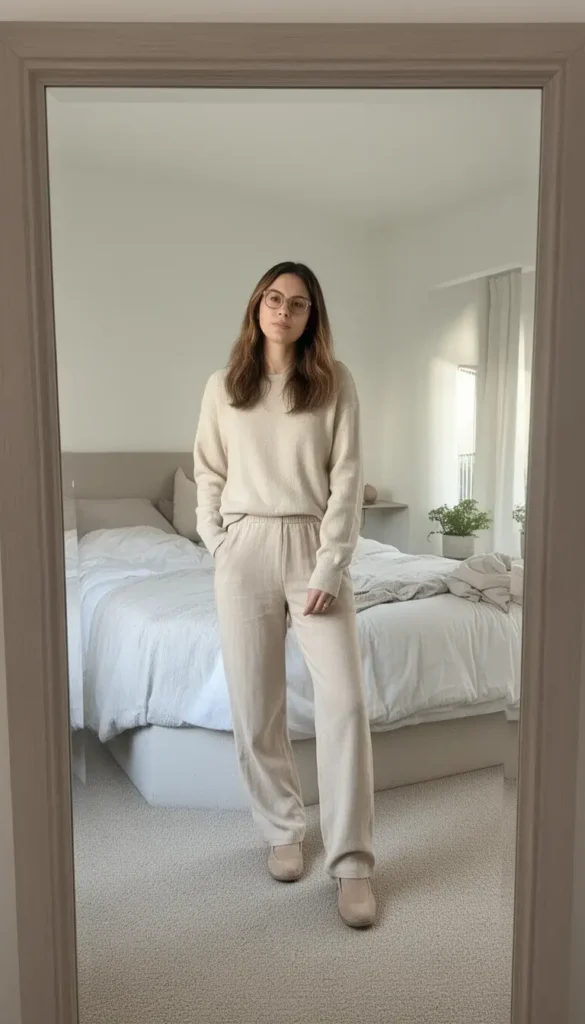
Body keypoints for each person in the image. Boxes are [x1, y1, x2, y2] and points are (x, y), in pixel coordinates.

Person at [194, 261, 375, 928]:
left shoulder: (334, 384)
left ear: (310, 318)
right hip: (242, 550)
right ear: (256, 306)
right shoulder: (224, 387)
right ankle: (281, 827)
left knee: (347, 704)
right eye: (273, 298)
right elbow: (207, 470)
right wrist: (217, 543)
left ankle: (353, 861)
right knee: (256, 704)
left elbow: (347, 479)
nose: (282, 311)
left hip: (311, 548)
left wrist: (330, 567)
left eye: (297, 304)